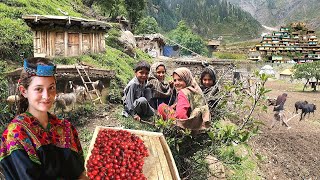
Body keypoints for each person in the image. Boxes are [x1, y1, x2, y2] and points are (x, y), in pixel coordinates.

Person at [0, 57, 88, 179]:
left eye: (51, 87)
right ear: (24, 91)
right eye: (38, 89)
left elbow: (80, 173)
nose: (47, 96)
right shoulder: (16, 134)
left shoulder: (66, 128)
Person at [158, 67, 210, 132]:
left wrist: (184, 130)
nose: (176, 83)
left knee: (161, 107)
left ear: (186, 79)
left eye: (180, 80)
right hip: (199, 124)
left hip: (187, 127)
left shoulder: (183, 92)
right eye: (175, 80)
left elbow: (181, 115)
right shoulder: (195, 89)